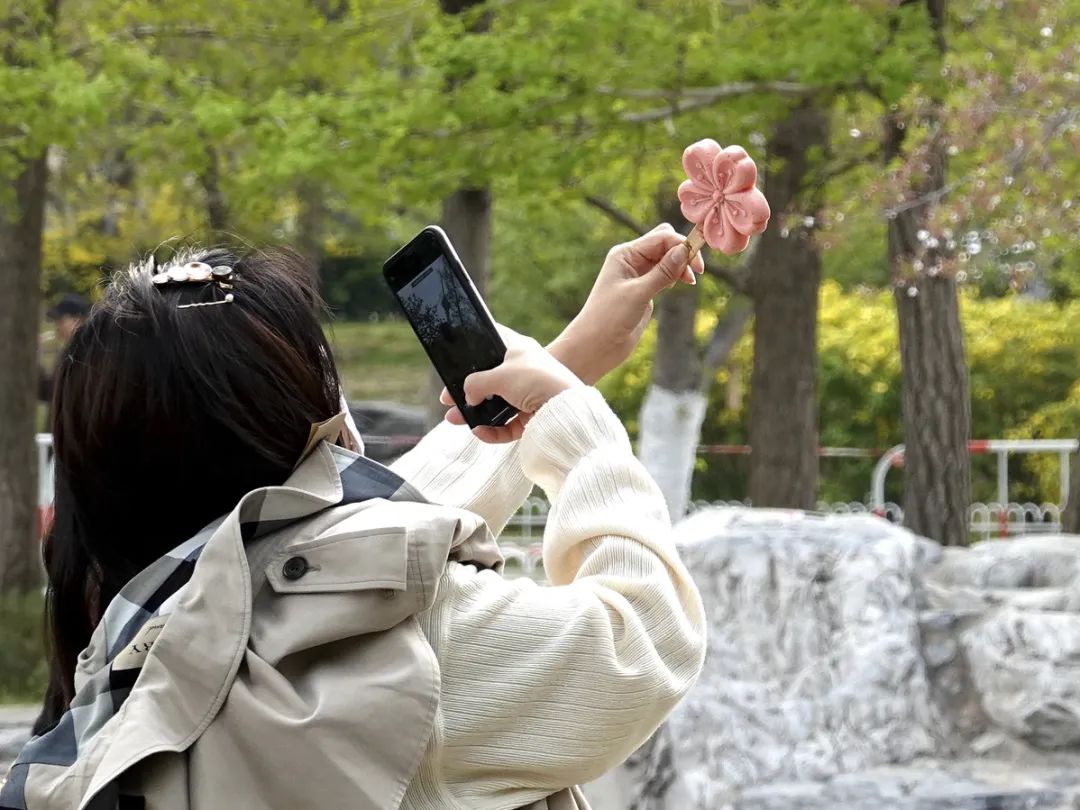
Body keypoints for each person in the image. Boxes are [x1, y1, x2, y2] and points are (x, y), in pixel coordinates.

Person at [3, 227, 707, 810]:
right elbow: (644, 641)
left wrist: (569, 359)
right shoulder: (420, 654)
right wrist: (578, 428)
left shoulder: (145, 624)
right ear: (307, 419)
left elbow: (349, 544)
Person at [38, 293, 90, 412]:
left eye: (61, 319)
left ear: (78, 320)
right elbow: (48, 391)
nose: (57, 325)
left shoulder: (86, 354)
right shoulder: (67, 352)